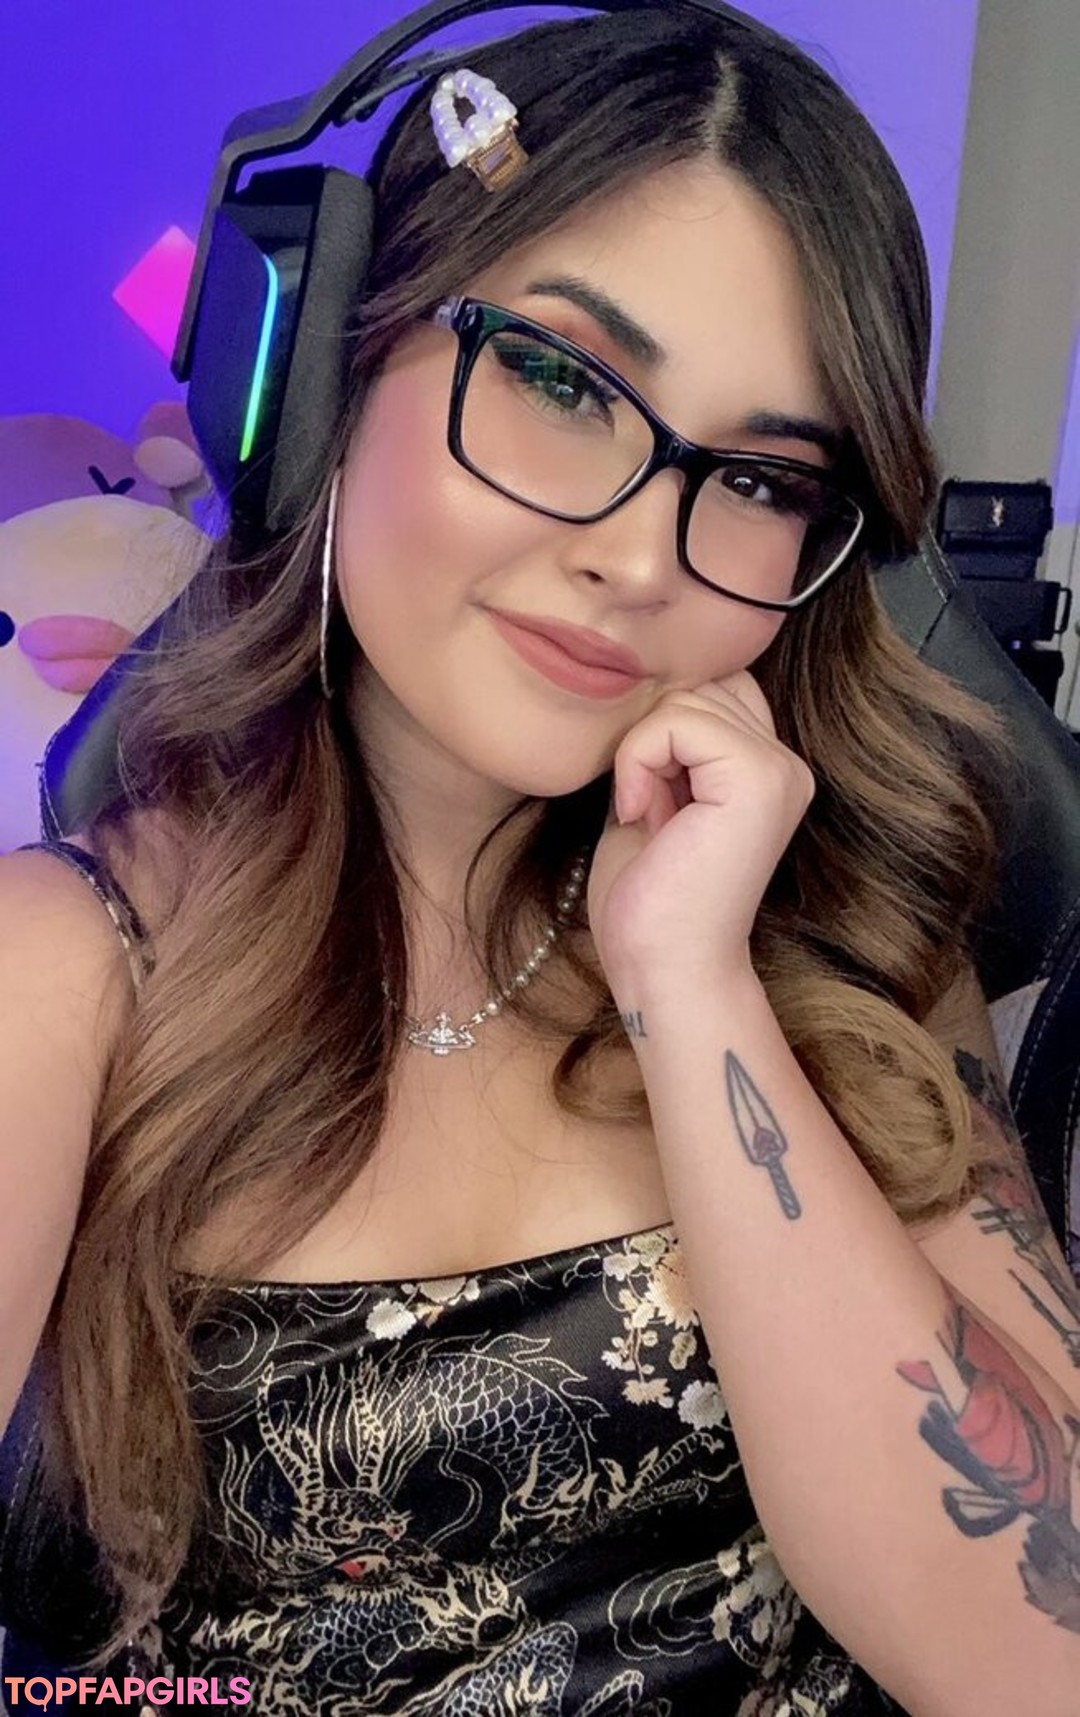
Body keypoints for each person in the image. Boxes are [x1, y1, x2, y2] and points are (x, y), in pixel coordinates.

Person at [2, 4, 1078, 1713]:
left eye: (759, 476)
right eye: (564, 381)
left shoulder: (850, 943)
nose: (641, 557)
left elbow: (1037, 1655)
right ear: (327, 364)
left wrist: (693, 987)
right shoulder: (67, 972)